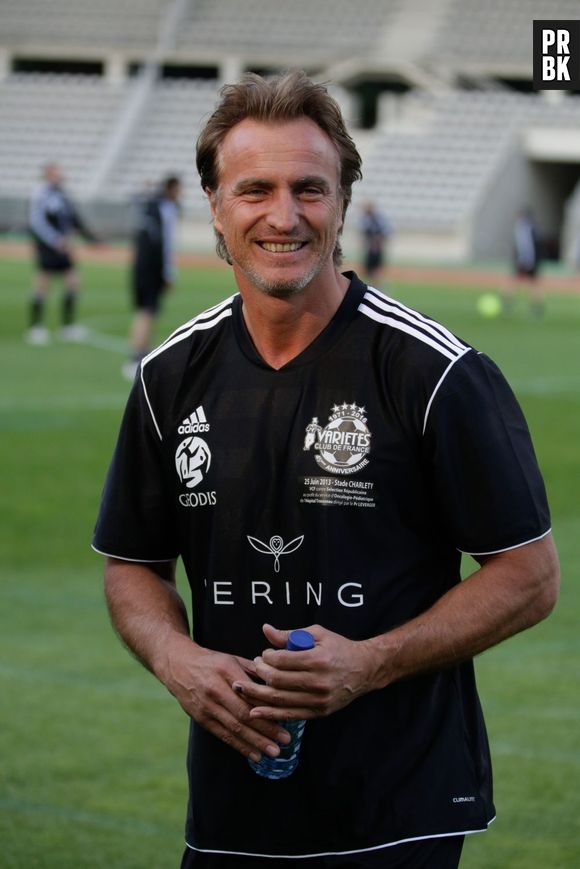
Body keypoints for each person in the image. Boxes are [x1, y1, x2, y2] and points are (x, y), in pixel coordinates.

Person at [93, 71, 559, 869]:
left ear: (343, 202)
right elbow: (132, 564)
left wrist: (370, 663)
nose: (284, 215)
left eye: (311, 188)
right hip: (230, 812)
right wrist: (179, 660)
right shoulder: (171, 377)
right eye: (255, 189)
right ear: (213, 205)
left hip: (396, 811)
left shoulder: (433, 371)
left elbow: (528, 575)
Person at [26, 162, 100, 345]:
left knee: (73, 283)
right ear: (47, 175)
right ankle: (35, 327)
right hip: (48, 246)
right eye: (55, 174)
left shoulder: (62, 194)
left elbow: (74, 219)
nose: (59, 177)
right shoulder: (40, 194)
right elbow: (36, 222)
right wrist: (54, 240)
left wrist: (91, 239)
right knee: (42, 284)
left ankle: (67, 327)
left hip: (64, 247)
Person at [123, 175, 182, 380]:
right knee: (147, 312)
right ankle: (136, 358)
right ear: (172, 189)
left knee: (143, 311)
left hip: (139, 265)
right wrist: (169, 273)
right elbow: (167, 244)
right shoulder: (166, 209)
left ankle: (140, 353)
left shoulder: (149, 205)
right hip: (153, 267)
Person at [503, 206, 544, 317]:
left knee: (515, 282)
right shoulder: (531, 227)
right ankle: (537, 307)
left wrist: (525, 261)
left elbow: (526, 246)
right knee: (533, 284)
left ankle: (507, 303)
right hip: (531, 260)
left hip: (526, 260)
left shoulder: (523, 228)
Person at [360, 201, 391, 282]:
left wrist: (376, 246)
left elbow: (380, 234)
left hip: (374, 250)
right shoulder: (368, 220)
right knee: (369, 272)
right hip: (371, 249)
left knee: (375, 272)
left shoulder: (375, 221)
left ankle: (379, 289)